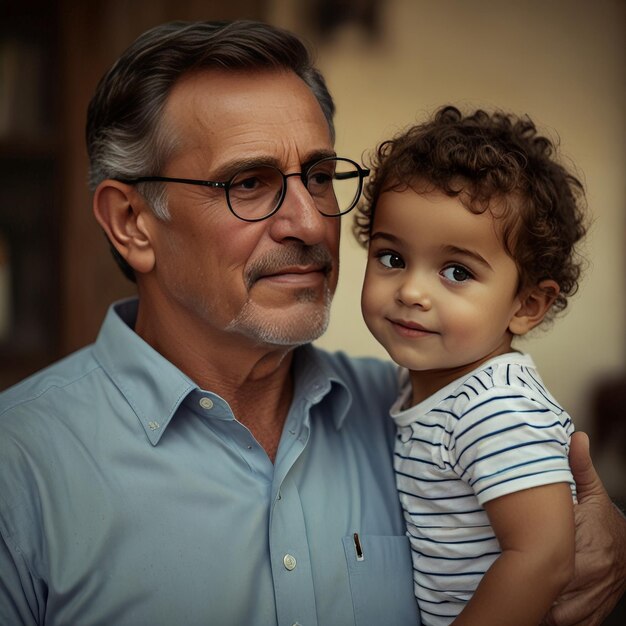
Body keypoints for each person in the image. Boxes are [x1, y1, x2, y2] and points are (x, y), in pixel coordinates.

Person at [0, 20, 623, 626]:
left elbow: (547, 529)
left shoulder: (409, 409)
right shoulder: (18, 466)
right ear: (133, 222)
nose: (309, 222)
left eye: (320, 177)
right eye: (249, 183)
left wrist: (611, 535)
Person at [355, 105, 614, 625]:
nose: (411, 290)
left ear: (526, 306)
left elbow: (543, 557)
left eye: (456, 270)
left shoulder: (495, 407)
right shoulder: (430, 393)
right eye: (391, 257)